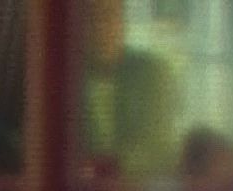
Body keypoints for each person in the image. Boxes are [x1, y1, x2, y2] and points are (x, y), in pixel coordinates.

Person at [76, 0, 181, 180]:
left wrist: (108, 166)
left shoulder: (152, 73)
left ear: (122, 23)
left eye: (109, 17)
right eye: (91, 19)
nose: (101, 28)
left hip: (136, 190)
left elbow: (159, 145)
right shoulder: (61, 81)